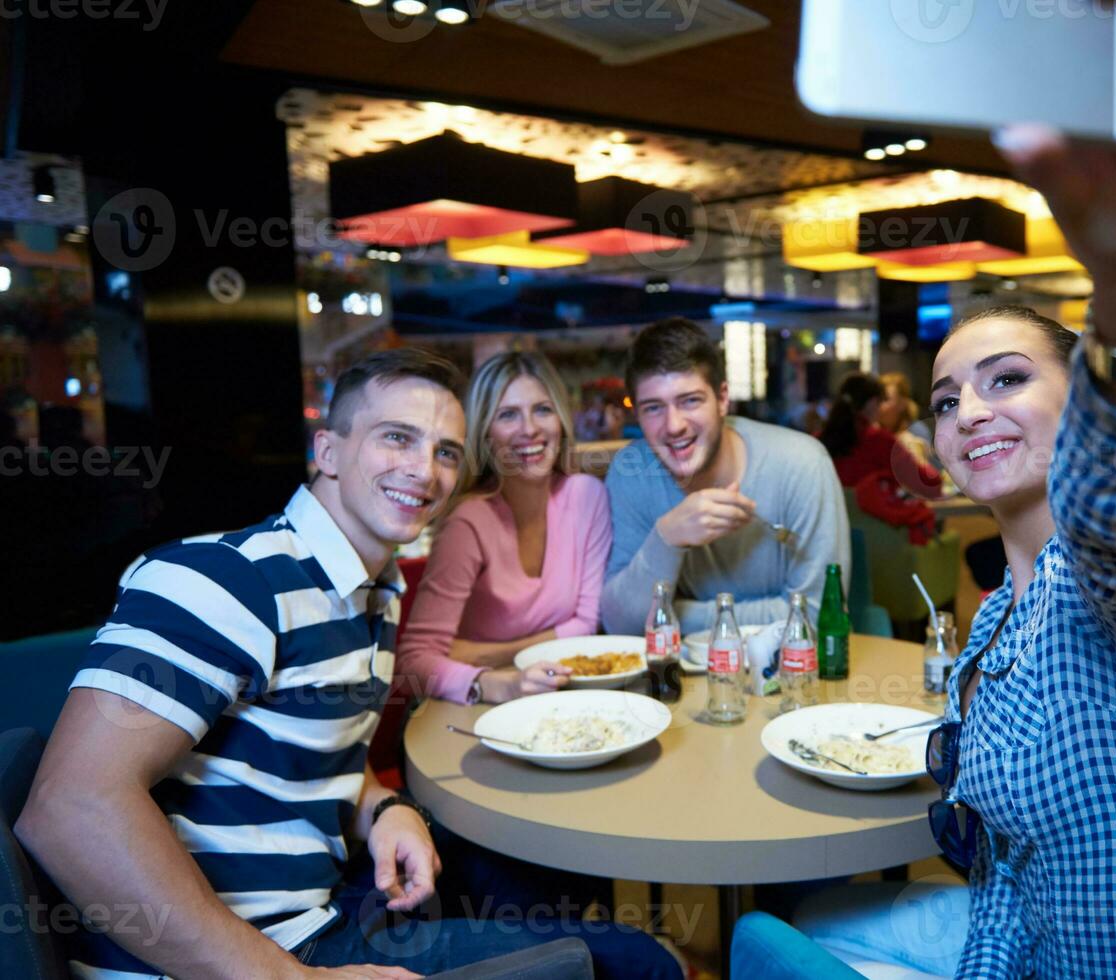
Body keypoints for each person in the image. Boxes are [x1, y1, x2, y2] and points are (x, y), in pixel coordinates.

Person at [794, 11, 1116, 976]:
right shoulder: (1004, 603)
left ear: (1079, 398)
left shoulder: (1107, 581)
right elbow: (1003, 876)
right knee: (807, 921)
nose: (967, 414)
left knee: (784, 941)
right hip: (1018, 937)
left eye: (1006, 380)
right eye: (947, 398)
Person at [16, 348, 676, 979]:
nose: (426, 469)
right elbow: (70, 806)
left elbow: (313, 744)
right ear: (326, 450)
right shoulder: (223, 577)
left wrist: (383, 806)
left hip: (324, 896)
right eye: (396, 437)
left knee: (522, 871)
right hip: (245, 952)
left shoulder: (371, 591)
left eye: (445, 451)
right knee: (641, 964)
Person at [600, 317, 849, 634]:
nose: (674, 424)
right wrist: (666, 538)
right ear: (636, 413)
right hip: (677, 680)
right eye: (653, 408)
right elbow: (621, 626)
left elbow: (816, 618)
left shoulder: (801, 465)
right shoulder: (631, 472)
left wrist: (673, 616)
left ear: (722, 399)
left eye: (690, 401)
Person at [397, 351, 608, 706]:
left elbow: (587, 625)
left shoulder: (587, 496)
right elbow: (414, 663)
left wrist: (477, 652)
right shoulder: (469, 521)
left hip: (560, 696)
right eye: (508, 414)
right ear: (483, 432)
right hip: (471, 702)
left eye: (543, 409)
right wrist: (500, 676)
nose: (530, 429)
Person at [821, 371, 944, 497]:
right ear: (873, 402)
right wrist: (918, 458)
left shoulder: (818, 440)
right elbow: (931, 484)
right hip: (873, 516)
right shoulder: (879, 440)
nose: (881, 409)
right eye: (881, 401)